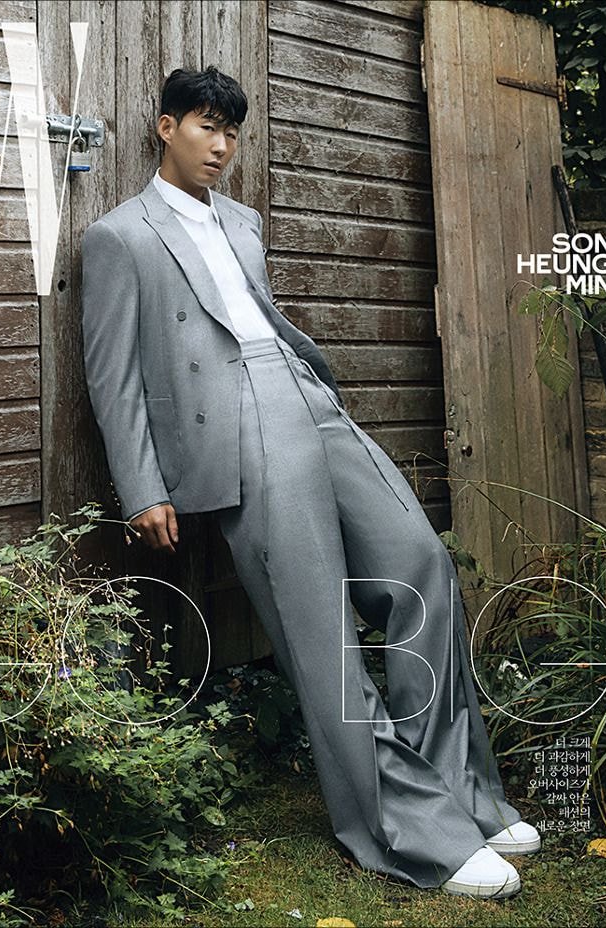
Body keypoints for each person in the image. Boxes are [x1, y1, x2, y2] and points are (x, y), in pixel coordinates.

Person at [81, 65, 541, 898]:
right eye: (205, 126)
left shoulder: (244, 221)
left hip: (304, 395)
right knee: (319, 625)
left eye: (232, 132)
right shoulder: (120, 236)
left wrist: (311, 389)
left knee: (419, 565)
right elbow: (112, 377)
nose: (221, 146)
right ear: (165, 127)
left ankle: (462, 793)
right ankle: (413, 832)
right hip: (234, 426)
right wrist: (141, 486)